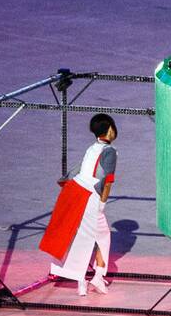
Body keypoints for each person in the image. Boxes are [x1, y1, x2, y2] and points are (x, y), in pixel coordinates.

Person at [39, 114, 118, 296]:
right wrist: (102, 204)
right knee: (101, 236)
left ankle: (83, 279)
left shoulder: (92, 148)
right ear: (110, 130)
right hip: (89, 196)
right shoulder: (110, 151)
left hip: (74, 191)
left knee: (88, 236)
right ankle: (97, 276)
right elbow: (107, 181)